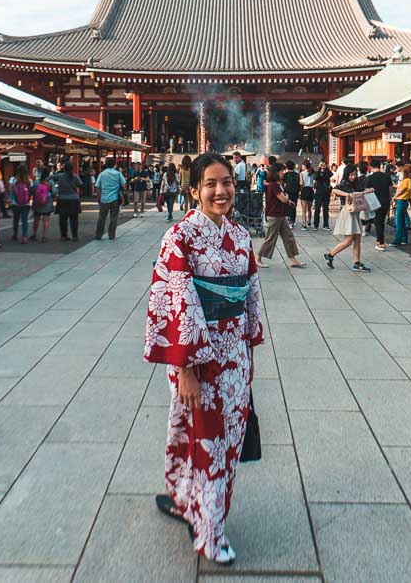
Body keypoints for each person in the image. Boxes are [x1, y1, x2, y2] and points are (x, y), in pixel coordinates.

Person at [145, 152, 263, 566]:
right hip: (196, 360)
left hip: (233, 359)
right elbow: (175, 300)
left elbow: (248, 296)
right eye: (210, 183)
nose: (221, 190)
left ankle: (186, 500)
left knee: (223, 443)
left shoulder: (241, 237)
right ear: (193, 189)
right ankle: (211, 533)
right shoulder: (179, 237)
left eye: (227, 182)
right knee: (206, 441)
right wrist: (185, 369)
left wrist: (247, 349)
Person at [257, 163, 306, 268]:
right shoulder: (274, 184)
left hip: (281, 214)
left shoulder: (278, 184)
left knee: (288, 237)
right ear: (277, 172)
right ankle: (258, 259)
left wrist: (289, 201)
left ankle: (293, 260)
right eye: (282, 171)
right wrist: (287, 199)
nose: (283, 173)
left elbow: (284, 198)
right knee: (270, 238)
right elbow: (283, 198)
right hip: (274, 215)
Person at [325, 165, 370, 272]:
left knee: (358, 239)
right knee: (349, 241)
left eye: (354, 174)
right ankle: (330, 255)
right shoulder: (344, 183)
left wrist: (368, 191)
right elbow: (335, 190)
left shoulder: (356, 183)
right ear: (347, 174)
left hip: (355, 213)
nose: (353, 177)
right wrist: (347, 194)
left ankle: (357, 262)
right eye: (351, 175)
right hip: (348, 213)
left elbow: (360, 192)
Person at [365, 159, 392, 251]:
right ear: (380, 166)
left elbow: (366, 192)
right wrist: (390, 199)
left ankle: (380, 242)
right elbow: (390, 189)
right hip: (385, 201)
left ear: (371, 167)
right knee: (381, 221)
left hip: (374, 203)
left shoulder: (370, 178)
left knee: (378, 222)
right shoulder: (387, 176)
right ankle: (380, 241)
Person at [95, 157, 125, 240]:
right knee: (114, 217)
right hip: (115, 198)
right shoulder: (118, 174)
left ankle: (99, 235)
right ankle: (111, 235)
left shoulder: (102, 174)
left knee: (102, 217)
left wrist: (99, 197)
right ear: (114, 164)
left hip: (104, 198)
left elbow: (97, 186)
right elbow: (124, 185)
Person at [54, 162, 83, 241]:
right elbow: (80, 185)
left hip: (62, 199)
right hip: (74, 199)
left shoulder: (59, 176)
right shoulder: (75, 176)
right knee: (74, 219)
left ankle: (63, 235)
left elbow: (50, 178)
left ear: (64, 168)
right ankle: (75, 236)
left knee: (63, 218)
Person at [392, 164, 411, 246]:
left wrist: (395, 197)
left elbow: (401, 190)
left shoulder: (407, 180)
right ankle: (404, 239)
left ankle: (397, 239)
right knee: (401, 221)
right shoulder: (409, 180)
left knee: (398, 221)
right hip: (403, 200)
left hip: (401, 200)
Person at [31, 171, 54, 243]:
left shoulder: (36, 182)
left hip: (37, 203)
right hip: (47, 203)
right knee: (46, 220)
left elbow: (32, 191)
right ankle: (44, 236)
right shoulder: (50, 182)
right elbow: (54, 192)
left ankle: (34, 234)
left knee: (36, 219)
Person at [11, 166, 31, 243]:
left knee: (15, 220)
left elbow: (12, 191)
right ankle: (25, 237)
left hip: (16, 203)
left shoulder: (14, 180)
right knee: (24, 220)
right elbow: (31, 191)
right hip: (26, 203)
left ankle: (15, 234)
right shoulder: (29, 181)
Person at [312, 162, 332, 229]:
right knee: (317, 209)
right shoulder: (317, 172)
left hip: (326, 193)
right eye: (321, 165)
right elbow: (315, 177)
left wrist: (325, 169)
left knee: (326, 209)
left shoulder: (328, 172)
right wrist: (320, 169)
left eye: (324, 165)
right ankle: (316, 224)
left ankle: (326, 224)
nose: (323, 166)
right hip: (318, 192)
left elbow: (330, 175)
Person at [281, 160, 301, 227]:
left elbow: (282, 183)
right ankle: (293, 221)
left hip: (287, 192)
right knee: (294, 206)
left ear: (287, 167)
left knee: (287, 206)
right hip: (295, 192)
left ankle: (288, 220)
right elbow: (300, 184)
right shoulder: (297, 174)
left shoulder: (285, 175)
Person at [298, 160, 315, 231]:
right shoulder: (313, 173)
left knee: (303, 210)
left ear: (304, 166)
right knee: (309, 209)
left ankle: (304, 224)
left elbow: (301, 183)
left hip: (304, 190)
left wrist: (300, 190)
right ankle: (309, 222)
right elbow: (314, 183)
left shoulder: (301, 173)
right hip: (311, 190)